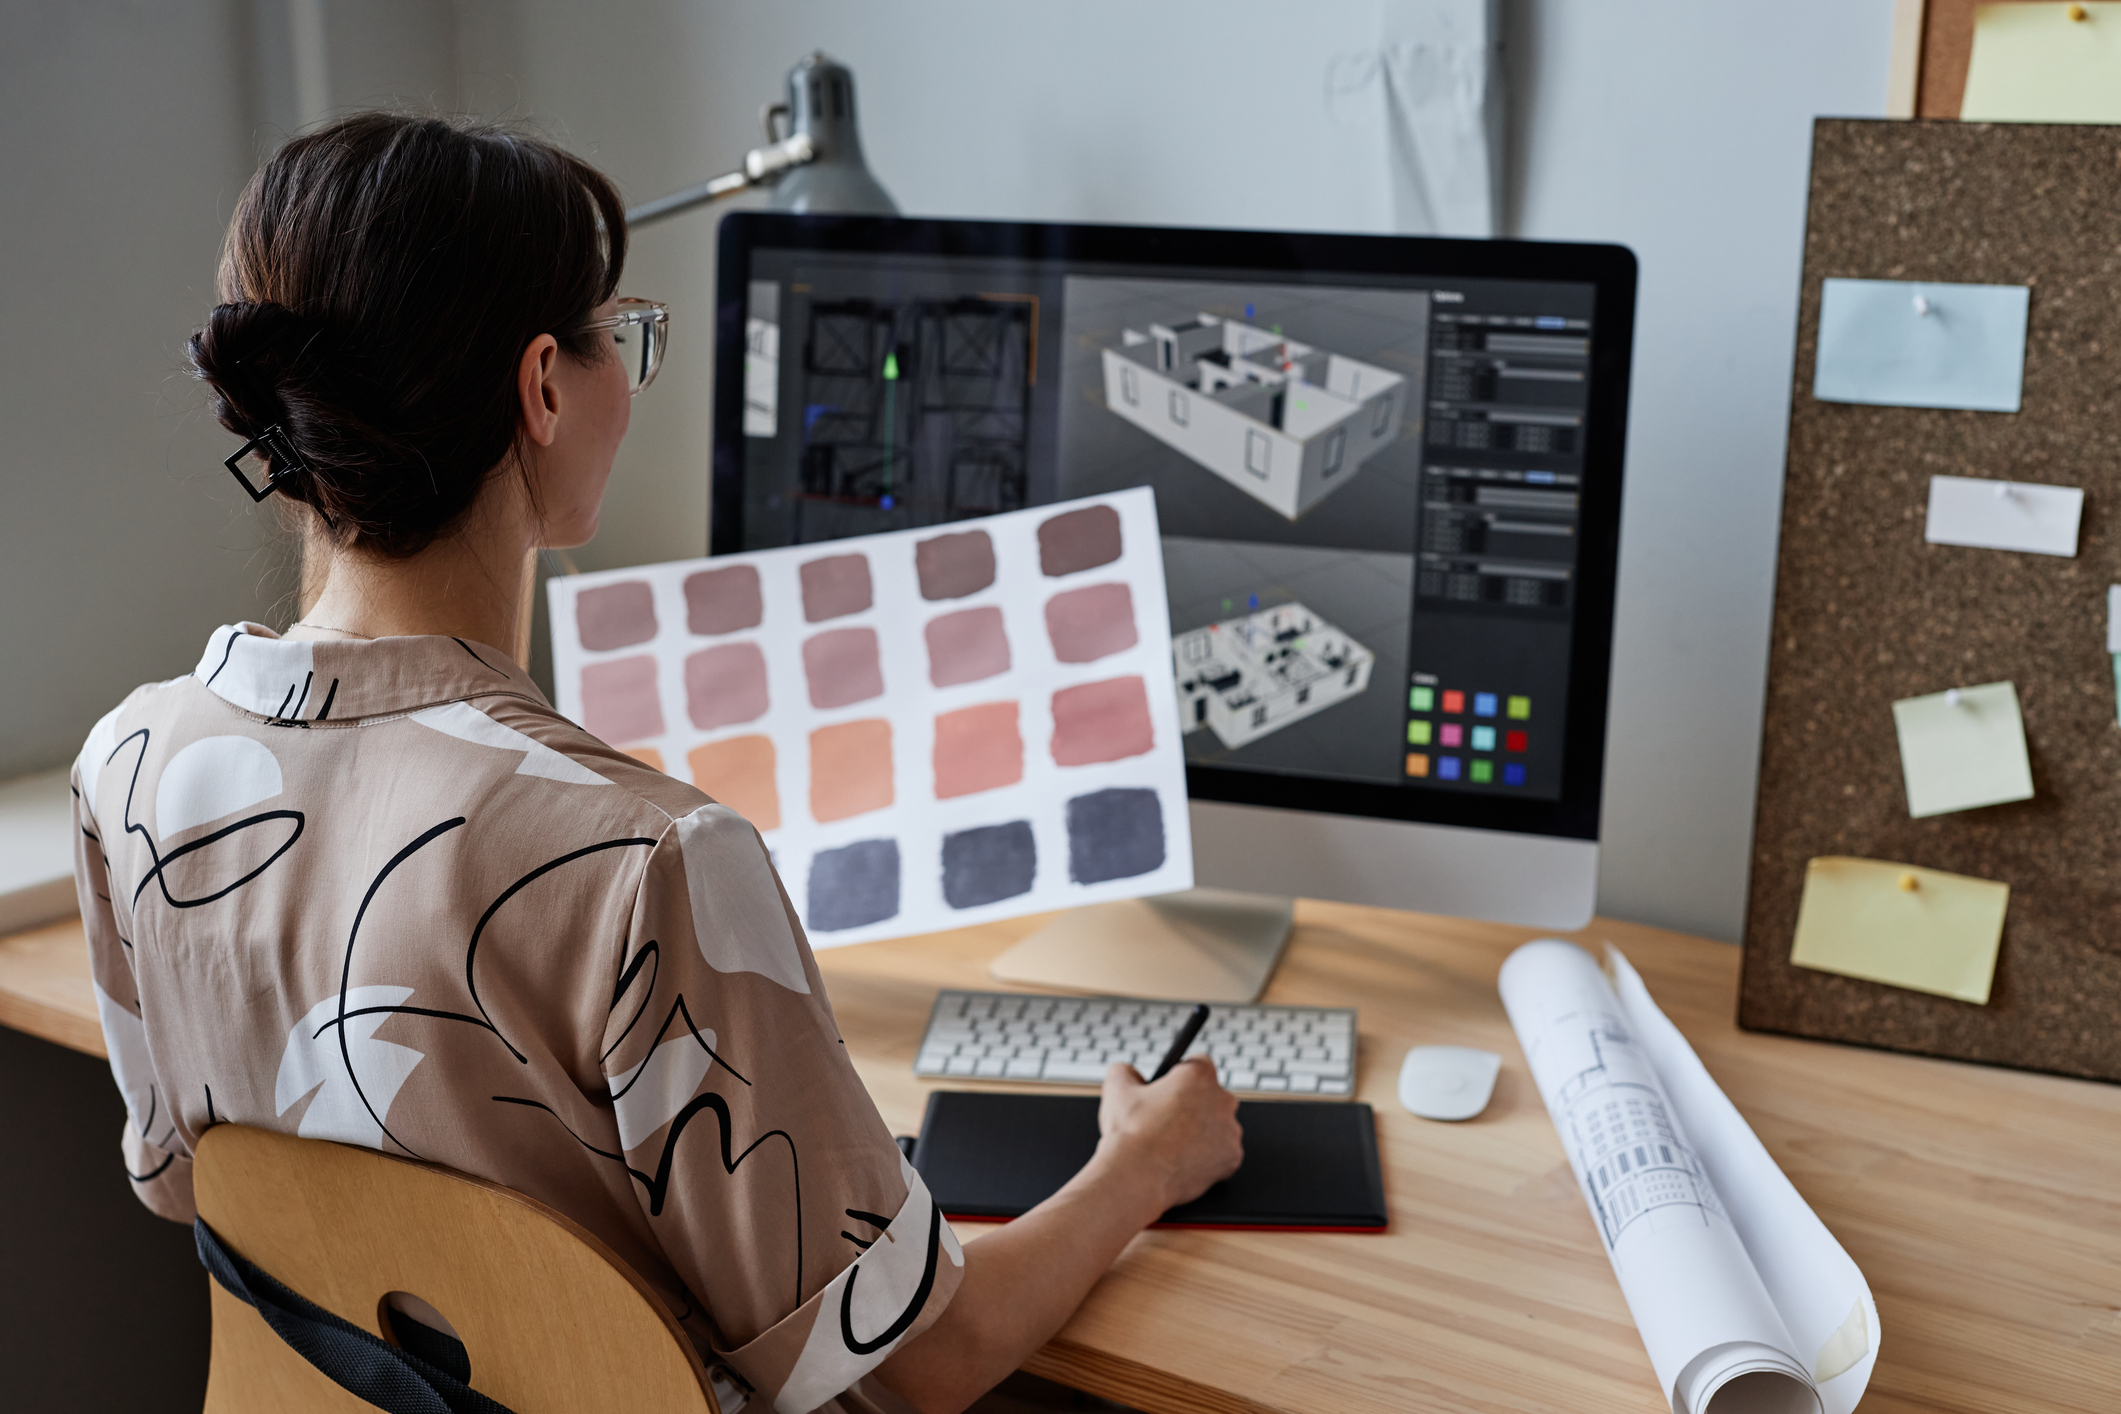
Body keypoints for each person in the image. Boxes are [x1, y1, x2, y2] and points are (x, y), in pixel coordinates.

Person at [71, 112, 1241, 1414]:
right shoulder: (643, 861)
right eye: (616, 333)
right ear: (545, 388)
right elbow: (926, 1362)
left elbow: (190, 1184)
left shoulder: (129, 769)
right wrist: (1142, 1161)